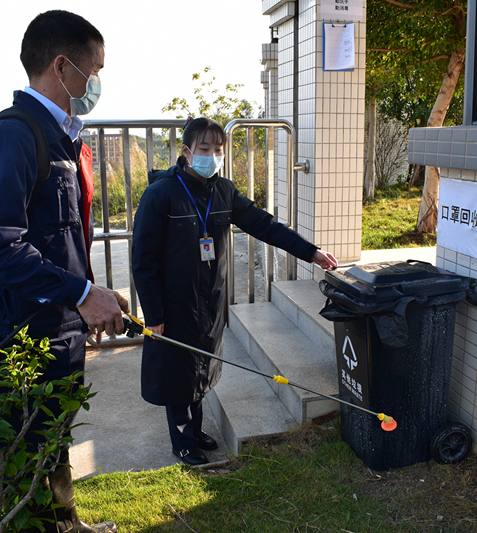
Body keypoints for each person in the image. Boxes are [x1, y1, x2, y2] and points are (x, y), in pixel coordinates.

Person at [0, 10, 125, 533]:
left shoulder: (61, 139)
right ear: (62, 66)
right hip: (20, 339)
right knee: (25, 457)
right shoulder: (16, 137)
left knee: (51, 443)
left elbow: (57, 240)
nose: (97, 82)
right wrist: (79, 292)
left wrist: (91, 297)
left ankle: (67, 525)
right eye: (94, 69)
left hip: (55, 330)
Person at [131, 117, 338, 466]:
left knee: (202, 367)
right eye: (204, 149)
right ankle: (182, 441)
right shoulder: (161, 194)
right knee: (179, 370)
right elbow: (143, 260)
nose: (212, 156)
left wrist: (310, 251)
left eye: (218, 150)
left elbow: (264, 224)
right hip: (175, 301)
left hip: (210, 299)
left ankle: (194, 431)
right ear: (186, 152)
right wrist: (154, 314)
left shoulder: (223, 190)